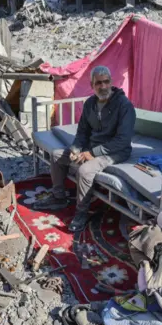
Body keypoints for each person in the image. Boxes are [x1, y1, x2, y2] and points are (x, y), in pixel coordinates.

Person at [34, 66, 136, 232]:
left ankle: (81, 212)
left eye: (106, 82)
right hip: (92, 147)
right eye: (98, 83)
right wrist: (76, 149)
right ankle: (58, 197)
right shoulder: (90, 104)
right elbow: (82, 132)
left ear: (111, 82)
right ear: (92, 85)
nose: (103, 86)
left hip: (115, 152)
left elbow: (123, 140)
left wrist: (92, 154)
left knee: (85, 171)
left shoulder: (124, 106)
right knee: (57, 154)